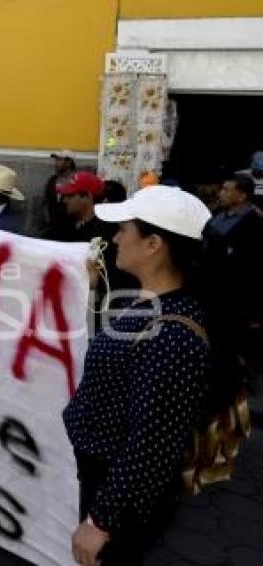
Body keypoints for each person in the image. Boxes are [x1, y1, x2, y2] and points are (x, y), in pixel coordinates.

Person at [63, 185, 240, 566]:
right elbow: (114, 350)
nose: (115, 238)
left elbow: (152, 444)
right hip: (101, 471)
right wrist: (91, 290)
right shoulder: (142, 299)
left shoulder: (174, 336)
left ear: (153, 244)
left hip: (117, 489)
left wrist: (102, 521)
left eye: (124, 229)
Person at [202, 174, 263, 370]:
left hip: (232, 293)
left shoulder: (253, 223)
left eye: (228, 190)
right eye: (222, 189)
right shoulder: (218, 214)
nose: (222, 193)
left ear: (242, 195)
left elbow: (252, 266)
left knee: (227, 339)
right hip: (210, 286)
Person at [54, 171, 138, 297]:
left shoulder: (109, 232)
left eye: (70, 195)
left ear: (87, 196)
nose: (65, 200)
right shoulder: (65, 226)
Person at [42, 149, 77, 235]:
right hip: (52, 228)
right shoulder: (52, 180)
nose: (56, 163)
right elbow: (46, 201)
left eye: (59, 160)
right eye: (56, 160)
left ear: (69, 162)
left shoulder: (77, 180)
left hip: (71, 229)